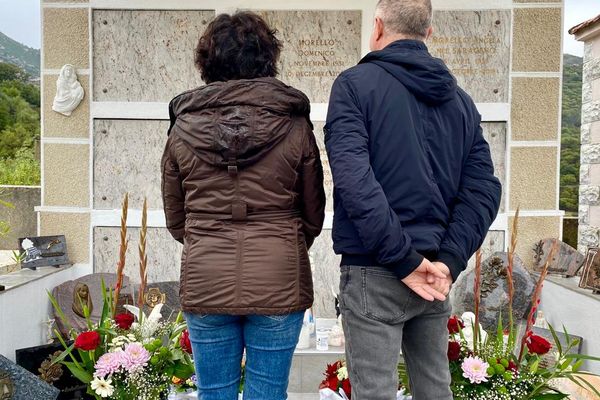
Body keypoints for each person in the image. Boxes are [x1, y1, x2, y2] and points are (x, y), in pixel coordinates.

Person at [324, 0, 502, 399]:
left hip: (378, 269)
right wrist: (447, 260)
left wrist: (408, 261)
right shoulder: (460, 102)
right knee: (435, 388)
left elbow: (355, 181)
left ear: (378, 27)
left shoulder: (353, 86)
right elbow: (483, 190)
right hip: (434, 271)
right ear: (428, 33)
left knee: (375, 392)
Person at [161, 12, 326, 400]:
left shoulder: (182, 128)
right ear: (267, 58)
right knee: (267, 395)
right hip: (278, 274)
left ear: (207, 62)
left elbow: (175, 217)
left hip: (206, 272)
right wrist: (281, 238)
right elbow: (313, 211)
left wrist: (207, 236)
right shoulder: (295, 124)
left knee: (213, 393)